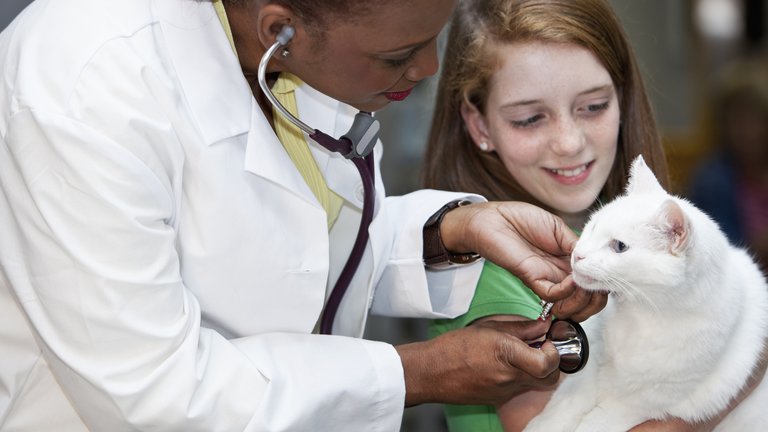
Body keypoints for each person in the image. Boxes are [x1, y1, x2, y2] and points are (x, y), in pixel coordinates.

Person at [0, 0, 609, 430]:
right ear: (279, 30)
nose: (427, 69)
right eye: (400, 53)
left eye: (434, 40)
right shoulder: (83, 86)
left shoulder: (271, 52)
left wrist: (450, 233)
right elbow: (155, 393)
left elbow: (285, 241)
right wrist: (415, 374)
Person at [423, 0, 768, 431]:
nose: (569, 142)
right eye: (530, 119)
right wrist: (746, 361)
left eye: (593, 106)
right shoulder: (498, 283)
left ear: (622, 99)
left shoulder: (611, 229)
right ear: (479, 126)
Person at [687, 57, 768, 272]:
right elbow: (719, 254)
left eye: (755, 119)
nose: (746, 131)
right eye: (736, 120)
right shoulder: (712, 180)